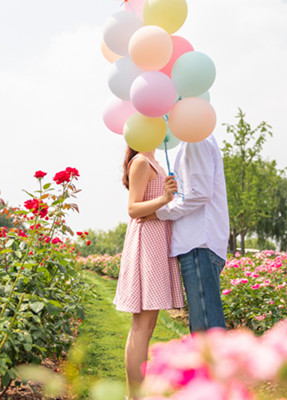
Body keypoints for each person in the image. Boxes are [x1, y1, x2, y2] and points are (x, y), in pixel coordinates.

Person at [113, 146, 184, 399]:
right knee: (141, 324)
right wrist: (165, 199)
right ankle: (134, 395)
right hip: (146, 243)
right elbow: (133, 209)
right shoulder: (141, 161)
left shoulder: (154, 161)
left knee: (149, 323)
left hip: (157, 241)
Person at [143, 134, 230, 332]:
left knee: (205, 328)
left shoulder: (195, 139)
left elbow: (200, 193)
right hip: (199, 243)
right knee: (203, 323)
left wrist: (160, 213)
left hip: (198, 242)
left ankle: (214, 364)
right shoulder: (195, 140)